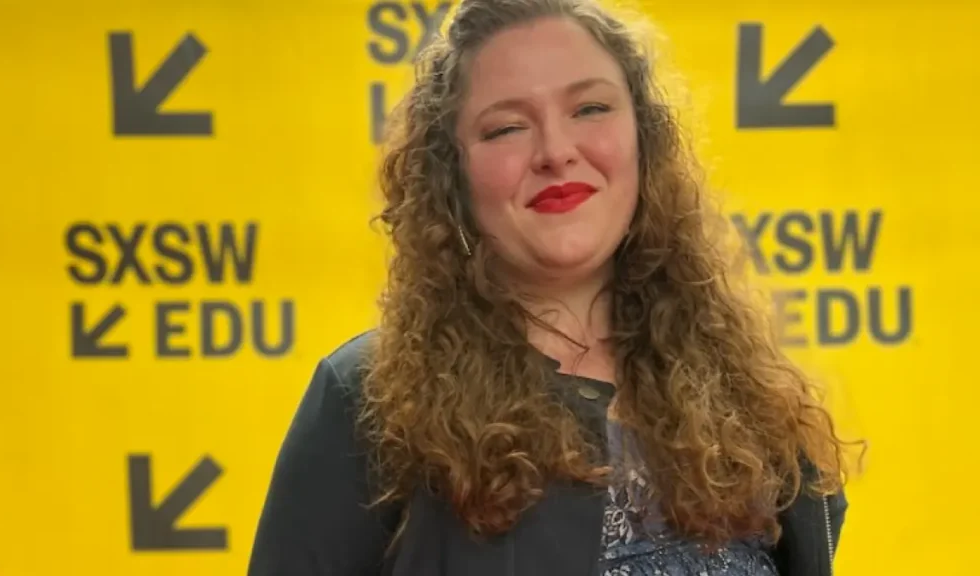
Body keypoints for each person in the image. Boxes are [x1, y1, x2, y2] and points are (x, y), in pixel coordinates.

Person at [248, 0, 856, 574]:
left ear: (645, 141)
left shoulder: (750, 401)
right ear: (452, 179)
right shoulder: (370, 403)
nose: (556, 152)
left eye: (590, 109)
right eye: (506, 128)